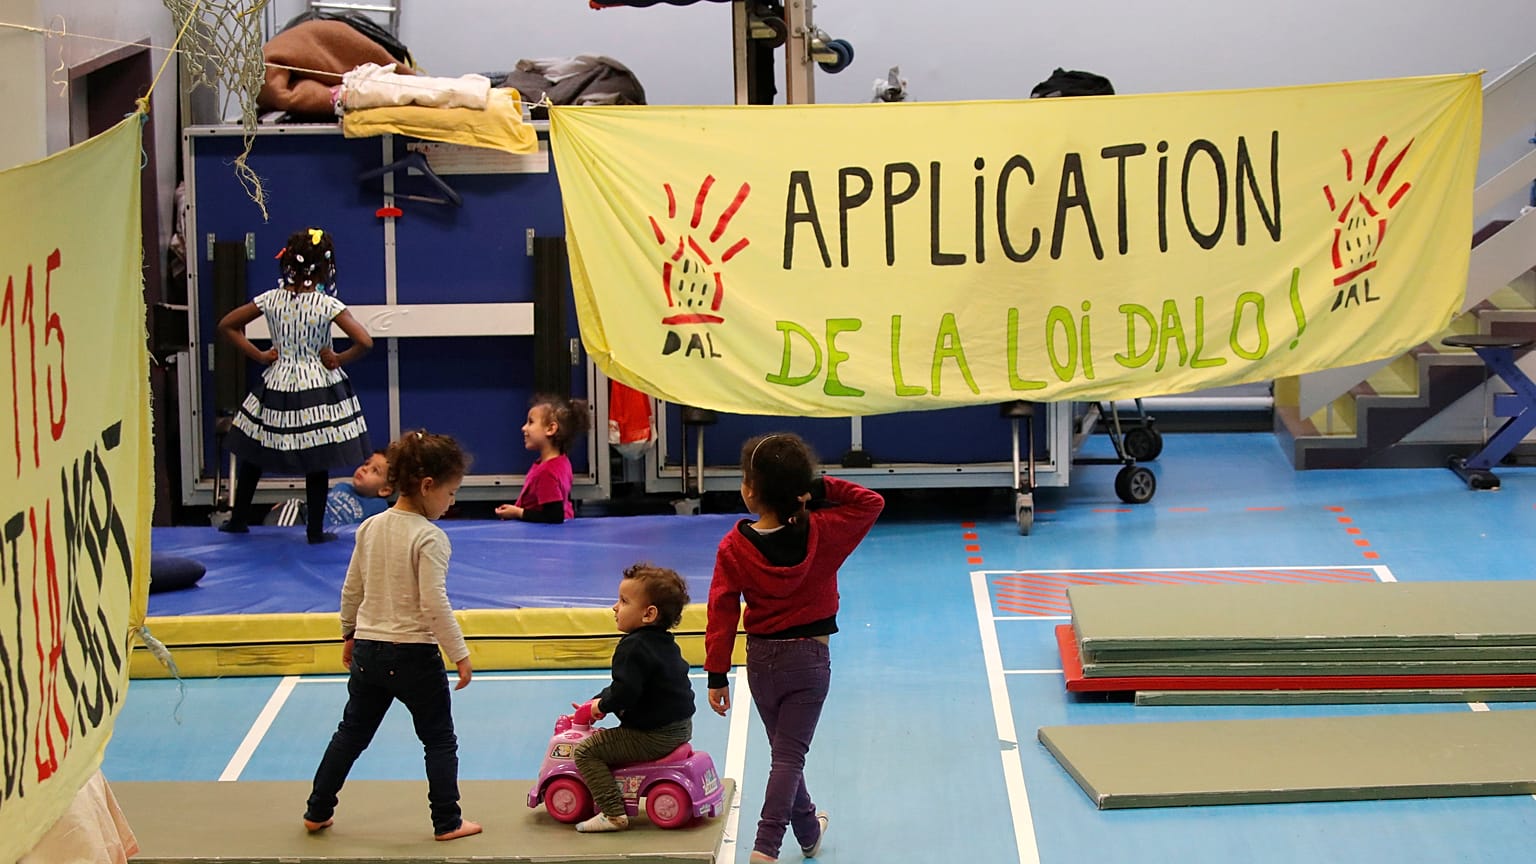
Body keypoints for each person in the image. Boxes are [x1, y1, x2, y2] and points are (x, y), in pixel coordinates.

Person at [704, 433, 884, 863]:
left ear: (750, 491)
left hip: (761, 663)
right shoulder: (825, 531)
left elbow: (721, 611)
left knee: (785, 753)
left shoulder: (734, 546)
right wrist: (817, 487)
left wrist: (716, 673)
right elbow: (870, 502)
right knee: (788, 757)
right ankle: (765, 849)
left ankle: (808, 831)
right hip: (808, 662)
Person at [302, 430, 482, 842]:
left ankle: (317, 810)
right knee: (439, 739)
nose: (451, 502)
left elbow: (352, 589)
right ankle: (447, 821)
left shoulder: (370, 527)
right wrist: (459, 653)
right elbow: (433, 602)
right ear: (428, 486)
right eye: (451, 493)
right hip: (414, 655)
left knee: (350, 734)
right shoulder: (429, 536)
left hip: (369, 651)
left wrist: (349, 633)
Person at [218, 227, 373, 543]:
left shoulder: (271, 299)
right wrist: (338, 359)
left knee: (255, 448)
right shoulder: (327, 304)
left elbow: (227, 325)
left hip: (277, 381)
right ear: (325, 266)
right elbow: (365, 341)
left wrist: (260, 355)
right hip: (318, 384)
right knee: (317, 459)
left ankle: (238, 520)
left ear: (288, 261)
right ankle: (314, 530)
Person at [571, 563, 697, 833]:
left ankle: (612, 813)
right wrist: (597, 703)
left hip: (652, 735)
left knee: (586, 751)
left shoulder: (632, 647)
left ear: (649, 614)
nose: (615, 607)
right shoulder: (663, 642)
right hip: (679, 728)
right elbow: (628, 686)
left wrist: (602, 705)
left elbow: (625, 693)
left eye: (624, 601)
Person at [495, 395, 591, 523]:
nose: (523, 428)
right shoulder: (561, 461)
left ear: (550, 429)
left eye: (531, 422)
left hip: (545, 532)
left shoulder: (546, 472)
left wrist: (517, 512)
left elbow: (554, 516)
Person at [266, 450, 393, 530]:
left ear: (384, 490)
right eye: (366, 464)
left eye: (375, 471)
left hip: (323, 531)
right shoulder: (342, 486)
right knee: (282, 537)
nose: (364, 469)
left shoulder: (378, 506)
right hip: (302, 515)